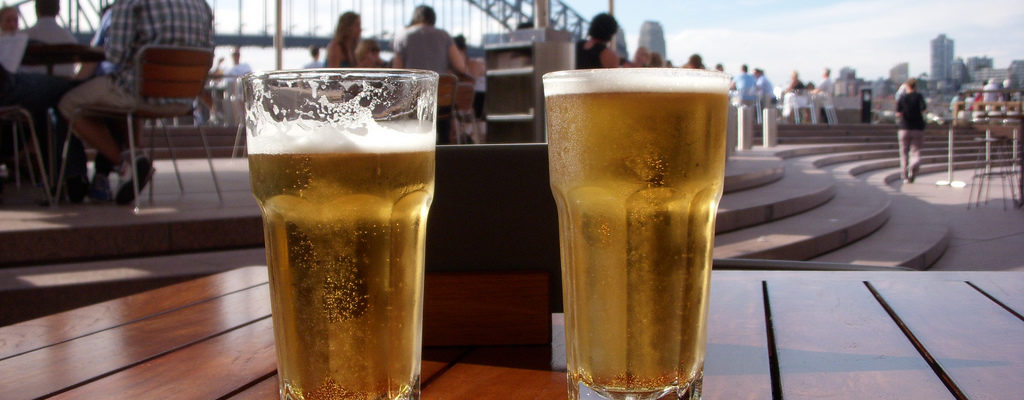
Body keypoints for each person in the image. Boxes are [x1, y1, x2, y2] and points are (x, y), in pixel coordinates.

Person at [57, 0, 213, 205]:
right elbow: (209, 54)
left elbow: (115, 55)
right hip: (183, 98)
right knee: (121, 101)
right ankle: (132, 158)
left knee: (68, 103)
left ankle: (127, 163)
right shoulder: (201, 5)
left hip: (138, 93)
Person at [392, 5, 466, 76]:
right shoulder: (444, 36)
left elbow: (396, 71)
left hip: (412, 87)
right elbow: (461, 67)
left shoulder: (402, 35)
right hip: (439, 86)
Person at [20, 0, 78, 77]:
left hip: (29, 85)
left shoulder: (22, 37)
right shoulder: (70, 40)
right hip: (62, 85)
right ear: (58, 10)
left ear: (36, 10)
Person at [895, 78, 926, 184]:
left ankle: (905, 175)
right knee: (916, 151)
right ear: (915, 86)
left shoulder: (903, 98)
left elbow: (898, 113)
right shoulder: (919, 97)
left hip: (904, 127)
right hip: (917, 128)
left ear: (907, 86)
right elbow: (924, 109)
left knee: (904, 153)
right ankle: (914, 167)